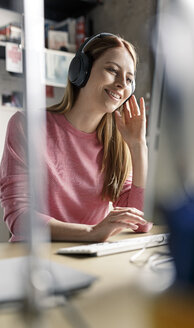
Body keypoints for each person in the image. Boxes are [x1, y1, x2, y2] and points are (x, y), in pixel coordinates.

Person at [0, 33, 153, 242]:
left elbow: (140, 222)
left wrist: (139, 147)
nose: (121, 84)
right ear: (81, 71)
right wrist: (90, 233)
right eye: (112, 70)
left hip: (89, 256)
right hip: (36, 259)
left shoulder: (118, 142)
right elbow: (18, 217)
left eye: (129, 79)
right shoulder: (26, 125)